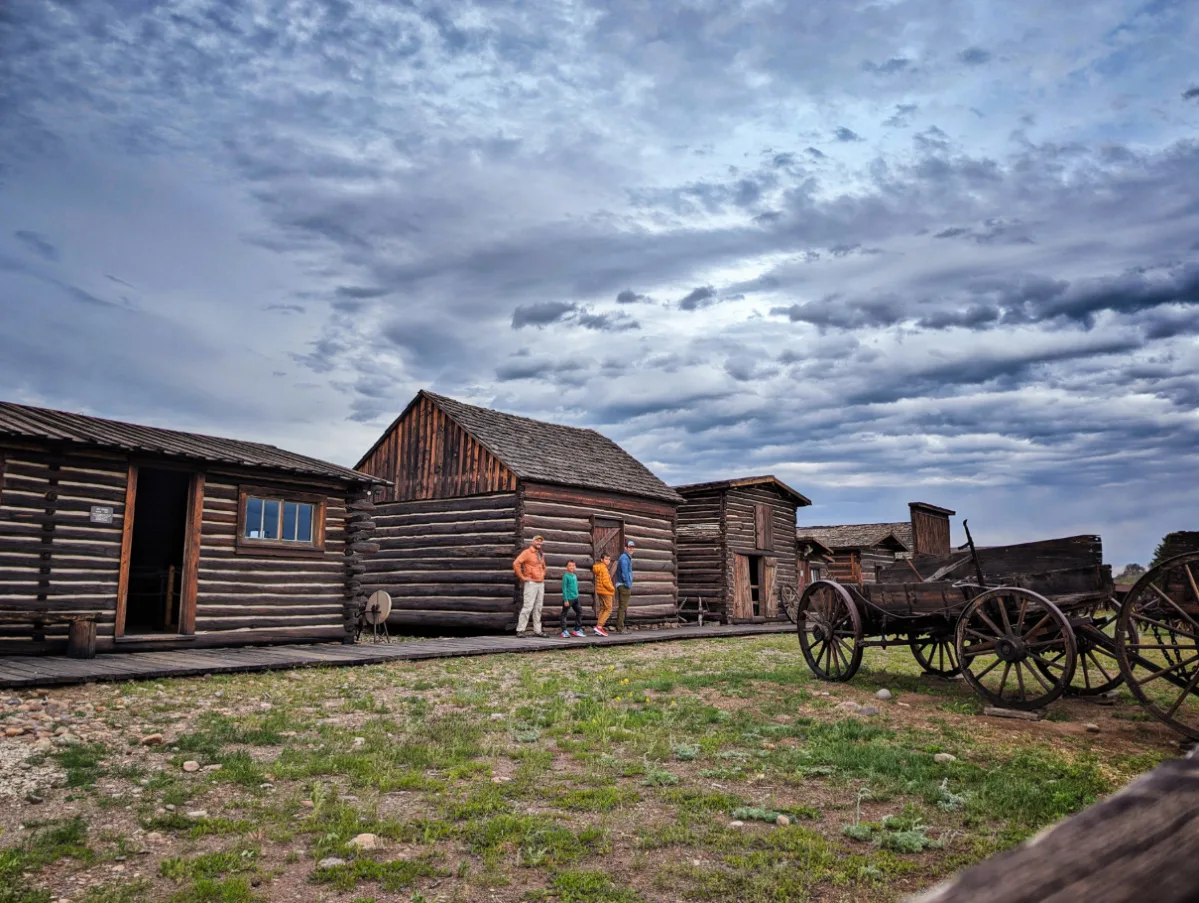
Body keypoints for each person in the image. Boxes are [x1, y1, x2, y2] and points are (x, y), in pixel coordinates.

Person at [513, 535, 547, 637]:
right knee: (528, 607)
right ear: (532, 542)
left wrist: (543, 574)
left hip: (540, 583)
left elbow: (543, 566)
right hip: (531, 583)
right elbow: (516, 563)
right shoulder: (527, 552)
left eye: (540, 541)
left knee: (538, 608)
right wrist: (523, 577)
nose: (539, 543)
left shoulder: (541, 553)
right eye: (537, 540)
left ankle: (537, 630)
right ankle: (520, 630)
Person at [613, 540, 635, 633]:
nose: (631, 549)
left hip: (622, 584)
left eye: (632, 547)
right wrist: (628, 584)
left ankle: (620, 626)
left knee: (622, 606)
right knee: (622, 607)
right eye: (629, 547)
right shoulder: (625, 558)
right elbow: (624, 573)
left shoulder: (626, 557)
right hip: (623, 585)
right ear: (625, 548)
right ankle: (620, 628)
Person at [591, 553, 615, 637]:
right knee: (608, 609)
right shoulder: (604, 569)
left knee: (603, 608)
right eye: (606, 559)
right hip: (606, 592)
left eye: (609, 559)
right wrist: (612, 588)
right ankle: (599, 626)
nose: (608, 561)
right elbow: (606, 582)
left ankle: (598, 627)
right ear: (602, 560)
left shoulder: (599, 567)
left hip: (600, 591)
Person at [559, 560, 584, 638]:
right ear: (567, 567)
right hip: (568, 599)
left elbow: (575, 586)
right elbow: (564, 588)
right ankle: (564, 631)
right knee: (564, 614)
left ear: (575, 567)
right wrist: (565, 599)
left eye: (573, 565)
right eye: (570, 565)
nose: (572, 567)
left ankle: (576, 629)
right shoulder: (566, 576)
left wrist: (577, 595)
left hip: (575, 598)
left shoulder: (574, 576)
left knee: (579, 611)